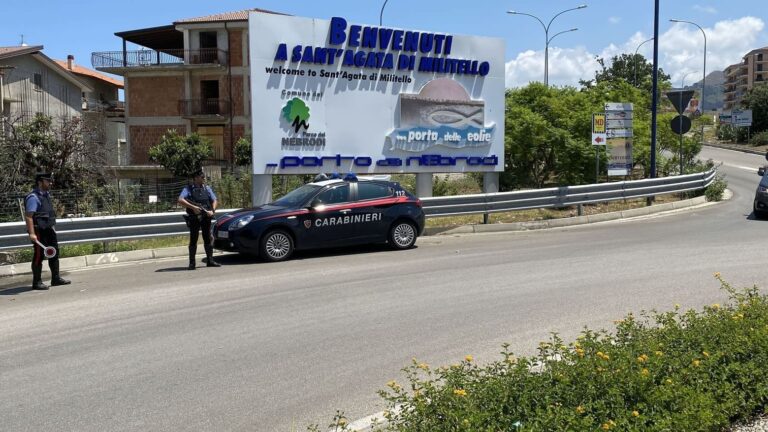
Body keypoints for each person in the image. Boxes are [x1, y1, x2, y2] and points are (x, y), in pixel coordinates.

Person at [24, 173, 70, 290]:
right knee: (39, 255)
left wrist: (53, 228)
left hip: (49, 229)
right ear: (40, 182)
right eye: (47, 181)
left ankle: (55, 278)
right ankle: (37, 282)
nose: (50, 183)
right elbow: (29, 216)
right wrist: (32, 233)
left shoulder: (46, 195)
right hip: (39, 231)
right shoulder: (33, 197)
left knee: (54, 252)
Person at [178, 170, 221, 270]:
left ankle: (210, 260)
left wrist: (212, 210)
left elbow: (215, 200)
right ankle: (192, 263)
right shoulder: (188, 189)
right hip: (194, 218)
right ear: (196, 178)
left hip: (206, 217)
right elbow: (180, 200)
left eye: (204, 177)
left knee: (208, 238)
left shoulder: (207, 188)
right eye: (202, 177)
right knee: (194, 239)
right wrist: (193, 207)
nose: (204, 178)